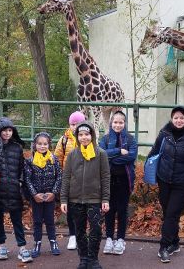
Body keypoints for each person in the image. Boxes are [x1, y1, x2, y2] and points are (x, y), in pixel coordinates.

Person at [147, 106, 184, 263]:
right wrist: (149, 170)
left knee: (171, 214)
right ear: (172, 118)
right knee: (168, 214)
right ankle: (175, 242)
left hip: (182, 183)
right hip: (164, 179)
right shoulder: (164, 133)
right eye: (176, 117)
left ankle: (164, 247)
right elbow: (155, 151)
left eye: (182, 117)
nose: (179, 120)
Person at [61, 121, 110, 269]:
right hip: (75, 199)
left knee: (96, 229)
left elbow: (105, 177)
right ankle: (83, 258)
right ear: (77, 137)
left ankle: (93, 258)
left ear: (92, 135)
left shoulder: (101, 153)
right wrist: (63, 199)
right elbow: (66, 177)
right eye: (81, 135)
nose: (84, 137)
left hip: (94, 199)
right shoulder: (72, 155)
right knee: (79, 230)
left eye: (87, 134)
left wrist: (105, 198)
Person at [99, 111, 138, 255]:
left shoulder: (131, 139)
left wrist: (112, 157)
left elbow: (131, 157)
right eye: (115, 122)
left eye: (121, 122)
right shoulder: (105, 138)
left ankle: (121, 239)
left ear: (125, 123)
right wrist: (119, 151)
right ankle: (109, 238)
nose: (118, 125)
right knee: (108, 210)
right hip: (108, 180)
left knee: (122, 210)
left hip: (124, 180)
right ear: (111, 123)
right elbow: (102, 154)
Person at [0, 117, 33, 263]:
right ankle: (2, 246)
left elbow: (22, 169)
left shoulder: (17, 147)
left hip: (13, 188)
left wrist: (20, 183)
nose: (7, 133)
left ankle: (22, 248)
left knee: (17, 219)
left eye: (10, 130)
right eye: (4, 130)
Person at [24, 132, 62, 258]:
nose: (42, 146)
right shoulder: (30, 161)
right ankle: (37, 243)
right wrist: (34, 194)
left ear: (49, 145)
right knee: (37, 221)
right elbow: (27, 179)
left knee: (50, 220)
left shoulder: (53, 159)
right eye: (39, 144)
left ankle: (53, 242)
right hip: (37, 198)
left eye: (45, 144)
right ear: (35, 145)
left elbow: (59, 177)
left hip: (49, 196)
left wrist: (54, 192)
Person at [54, 110, 85, 250]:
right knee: (71, 210)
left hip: (84, 181)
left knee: (84, 209)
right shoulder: (64, 140)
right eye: (73, 124)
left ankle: (82, 235)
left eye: (78, 123)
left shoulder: (87, 138)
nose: (75, 126)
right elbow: (57, 159)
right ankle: (72, 236)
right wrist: (61, 177)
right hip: (69, 181)